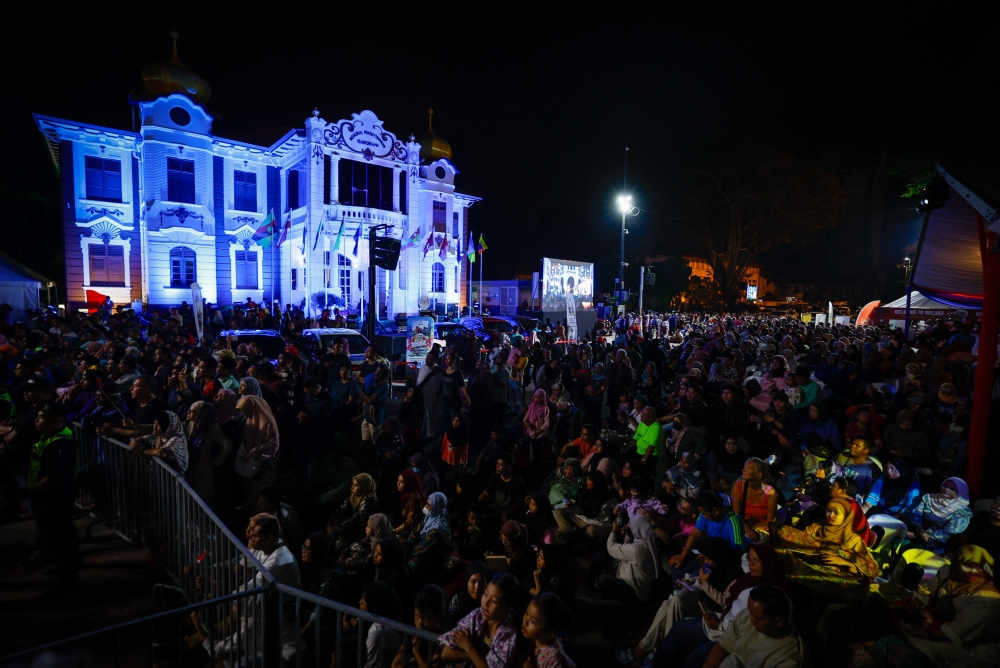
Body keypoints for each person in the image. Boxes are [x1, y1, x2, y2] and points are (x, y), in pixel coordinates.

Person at [857, 545, 1000, 668]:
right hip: (937, 621)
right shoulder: (948, 573)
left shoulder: (988, 598)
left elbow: (959, 629)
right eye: (966, 565)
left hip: (972, 644)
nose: (972, 572)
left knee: (916, 642)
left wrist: (924, 634)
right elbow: (928, 590)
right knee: (892, 614)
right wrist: (915, 604)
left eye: (978, 568)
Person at [23, 403, 80, 589]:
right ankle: (66, 567)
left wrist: (29, 491)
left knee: (61, 536)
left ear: (55, 420)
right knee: (61, 534)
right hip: (48, 495)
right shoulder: (50, 436)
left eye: (41, 417)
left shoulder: (60, 443)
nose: (37, 421)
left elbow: (55, 476)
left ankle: (68, 580)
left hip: (55, 496)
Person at [773, 497, 879, 597]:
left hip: (828, 575)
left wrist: (844, 561)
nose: (831, 515)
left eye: (836, 512)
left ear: (847, 516)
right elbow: (800, 543)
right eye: (828, 510)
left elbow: (871, 567)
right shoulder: (817, 527)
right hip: (806, 565)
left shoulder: (853, 540)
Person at [693, 585, 810, 668]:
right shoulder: (748, 616)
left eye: (758, 618)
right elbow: (724, 645)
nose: (751, 619)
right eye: (750, 613)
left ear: (779, 622)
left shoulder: (789, 659)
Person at [439, 572, 522, 668]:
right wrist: (482, 656)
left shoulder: (509, 633)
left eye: (494, 601)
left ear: (508, 610)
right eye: (485, 594)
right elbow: (446, 653)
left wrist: (468, 647)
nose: (486, 603)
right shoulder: (476, 616)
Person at [594, 513, 659, 604]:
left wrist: (613, 530)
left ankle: (597, 588)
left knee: (603, 579)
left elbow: (611, 548)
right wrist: (629, 533)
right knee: (601, 556)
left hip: (633, 591)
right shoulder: (648, 544)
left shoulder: (638, 550)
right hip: (631, 582)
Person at [903, 477, 973, 554]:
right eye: (945, 485)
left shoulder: (962, 512)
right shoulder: (930, 498)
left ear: (960, 492)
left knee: (912, 551)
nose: (946, 489)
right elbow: (915, 514)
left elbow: (947, 535)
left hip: (940, 543)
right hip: (918, 531)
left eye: (952, 488)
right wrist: (919, 529)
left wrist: (925, 533)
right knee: (897, 542)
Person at [394, 584, 447, 668]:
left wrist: (415, 650)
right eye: (416, 616)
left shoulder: (442, 639)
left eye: (425, 618)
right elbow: (395, 664)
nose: (419, 623)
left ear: (439, 617)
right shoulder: (412, 634)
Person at [401, 492, 451, 579]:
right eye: (426, 503)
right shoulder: (430, 516)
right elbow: (416, 530)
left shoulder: (438, 528)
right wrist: (407, 545)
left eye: (429, 505)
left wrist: (407, 554)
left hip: (430, 553)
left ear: (436, 506)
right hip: (420, 547)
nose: (426, 507)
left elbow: (423, 546)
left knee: (410, 566)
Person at [327, 473, 380, 552]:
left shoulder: (370, 502)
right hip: (349, 531)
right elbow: (341, 510)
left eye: (356, 485)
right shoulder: (353, 497)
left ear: (364, 487)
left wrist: (337, 529)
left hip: (362, 535)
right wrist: (330, 524)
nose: (352, 487)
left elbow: (356, 519)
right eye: (352, 484)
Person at [521, 593, 576, 668]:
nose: (525, 621)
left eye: (532, 621)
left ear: (550, 633)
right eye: (526, 613)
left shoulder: (554, 659)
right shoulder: (536, 637)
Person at [730, 457, 778, 540]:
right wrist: (747, 529)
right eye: (744, 467)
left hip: (761, 528)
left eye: (748, 468)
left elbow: (770, 522)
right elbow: (736, 514)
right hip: (743, 524)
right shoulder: (738, 486)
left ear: (759, 474)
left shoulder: (771, 493)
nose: (743, 470)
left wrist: (754, 530)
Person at [478, 453, 525, 524]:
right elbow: (486, 492)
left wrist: (505, 513)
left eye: (501, 465)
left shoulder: (517, 481)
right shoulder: (495, 475)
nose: (497, 466)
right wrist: (477, 503)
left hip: (509, 510)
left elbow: (518, 504)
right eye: (497, 463)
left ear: (509, 467)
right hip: (496, 506)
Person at [446, 561, 491, 629]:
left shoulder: (490, 603)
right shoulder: (457, 600)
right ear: (467, 581)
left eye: (482, 582)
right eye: (473, 582)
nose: (477, 587)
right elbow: (448, 626)